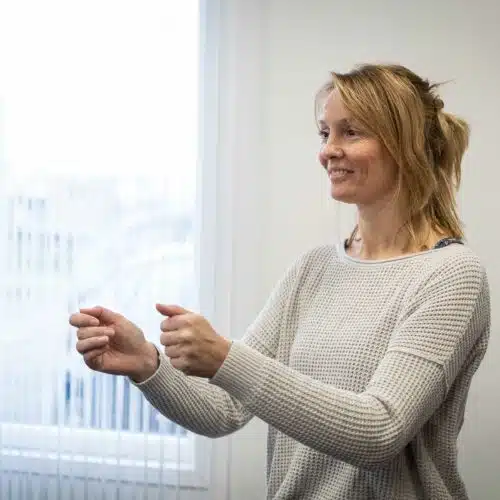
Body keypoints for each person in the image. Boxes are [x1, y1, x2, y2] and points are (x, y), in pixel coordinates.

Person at [69, 64, 490, 500]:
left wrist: (225, 357)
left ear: (406, 144)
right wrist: (146, 363)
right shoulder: (314, 269)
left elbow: (379, 432)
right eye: (325, 133)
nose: (328, 151)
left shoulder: (451, 275)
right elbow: (224, 409)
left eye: (350, 132)